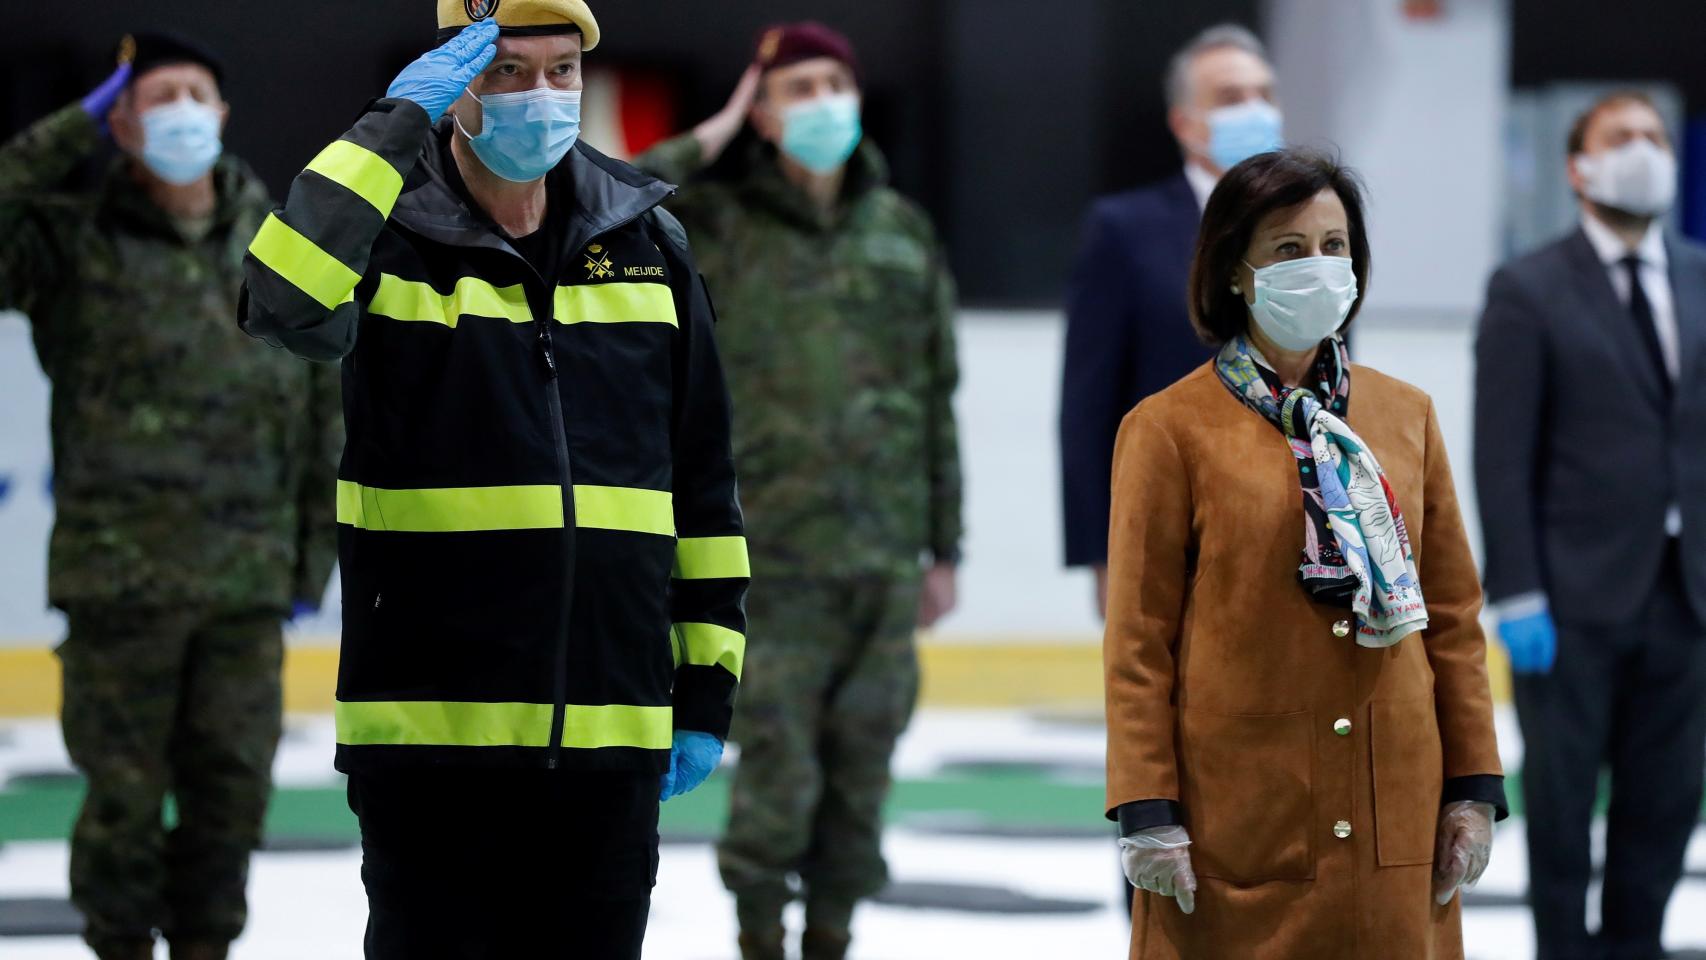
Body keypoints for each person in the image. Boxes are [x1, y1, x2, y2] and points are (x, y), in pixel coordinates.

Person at [237, 2, 747, 957]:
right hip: (433, 742)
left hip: (611, 738)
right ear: (455, 85)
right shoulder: (389, 240)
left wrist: (706, 687)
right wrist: (390, 130)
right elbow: (279, 301)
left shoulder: (648, 244)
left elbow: (703, 483)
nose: (540, 95)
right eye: (507, 72)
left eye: (562, 71)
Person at [1102, 148, 1506, 958]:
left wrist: (1472, 787)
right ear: (1235, 273)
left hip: (1396, 799)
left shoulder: (1404, 416)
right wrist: (1147, 808)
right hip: (1243, 815)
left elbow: (1454, 617)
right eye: (1289, 250)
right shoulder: (1169, 429)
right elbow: (1140, 641)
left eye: (1334, 247)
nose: (1318, 267)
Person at [0, 32, 339, 960]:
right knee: (121, 803)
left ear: (225, 114)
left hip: (247, 585)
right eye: (157, 96)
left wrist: (310, 562)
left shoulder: (282, 243)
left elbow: (322, 414)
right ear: (120, 121)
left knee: (232, 798)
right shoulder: (71, 245)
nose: (183, 110)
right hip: (121, 589)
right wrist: (67, 130)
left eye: (197, 91)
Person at [634, 22, 963, 960]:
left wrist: (943, 547)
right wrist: (720, 122)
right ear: (766, 116)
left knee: (862, 777)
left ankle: (832, 935)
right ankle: (760, 938)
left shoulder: (903, 232)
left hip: (882, 562)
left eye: (834, 82)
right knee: (776, 777)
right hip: (765, 561)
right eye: (796, 89)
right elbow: (612, 188)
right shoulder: (722, 228)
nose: (822, 102)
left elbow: (936, 397)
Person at [1474, 91, 1706, 960]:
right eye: (1622, 138)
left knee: (1667, 805)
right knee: (1566, 815)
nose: (1643, 150)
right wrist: (1519, 589)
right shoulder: (1528, 288)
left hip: (1686, 599)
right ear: (1579, 167)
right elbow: (1502, 454)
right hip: (1570, 600)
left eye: (1654, 137)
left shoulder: (1699, 275)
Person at [1060, 23, 1282, 616]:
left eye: (1264, 94)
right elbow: (1089, 403)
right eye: (1231, 98)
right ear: (1185, 123)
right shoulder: (1125, 230)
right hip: (1169, 526)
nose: (1255, 110)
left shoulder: (1309, 227)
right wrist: (1102, 549)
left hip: (1293, 527)